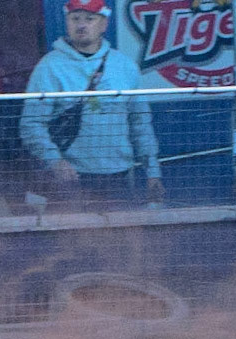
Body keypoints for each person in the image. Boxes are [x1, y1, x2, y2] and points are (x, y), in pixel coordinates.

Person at [19, 0, 164, 210]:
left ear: (104, 24)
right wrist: (56, 162)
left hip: (119, 179)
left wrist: (153, 173)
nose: (81, 25)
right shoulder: (49, 67)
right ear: (66, 22)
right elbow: (31, 125)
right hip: (70, 181)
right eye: (75, 18)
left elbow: (140, 123)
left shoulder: (125, 67)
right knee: (70, 241)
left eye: (90, 18)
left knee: (120, 241)